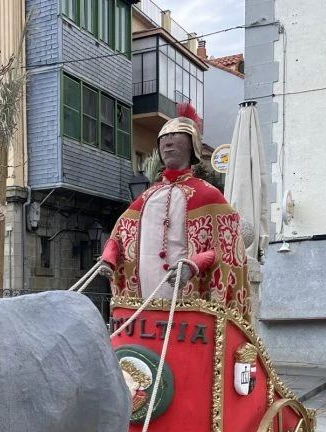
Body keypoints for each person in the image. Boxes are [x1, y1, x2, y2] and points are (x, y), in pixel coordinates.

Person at [102, 104, 251, 323]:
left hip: (188, 302)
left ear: (192, 145)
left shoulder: (209, 196)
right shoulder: (147, 197)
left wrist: (194, 264)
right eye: (163, 137)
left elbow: (226, 249)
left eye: (176, 136)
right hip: (143, 303)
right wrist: (108, 259)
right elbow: (119, 235)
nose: (168, 142)